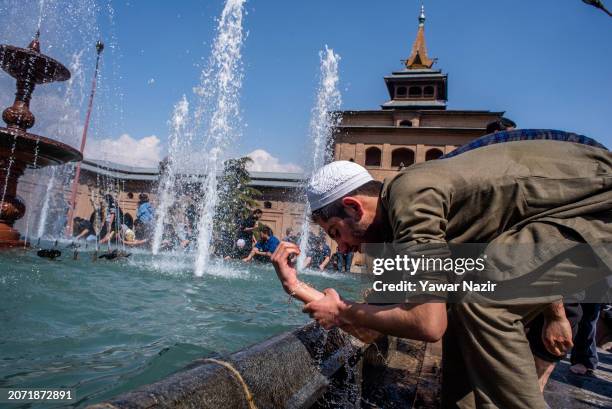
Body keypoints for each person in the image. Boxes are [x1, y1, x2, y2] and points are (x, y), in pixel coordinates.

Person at [270, 131, 611, 409]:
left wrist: (344, 310)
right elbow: (378, 316)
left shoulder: (410, 195)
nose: (341, 248)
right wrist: (297, 287)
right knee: (460, 305)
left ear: (353, 207)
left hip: (598, 207)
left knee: (481, 298)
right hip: (558, 225)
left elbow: (426, 323)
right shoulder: (395, 232)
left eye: (335, 233)